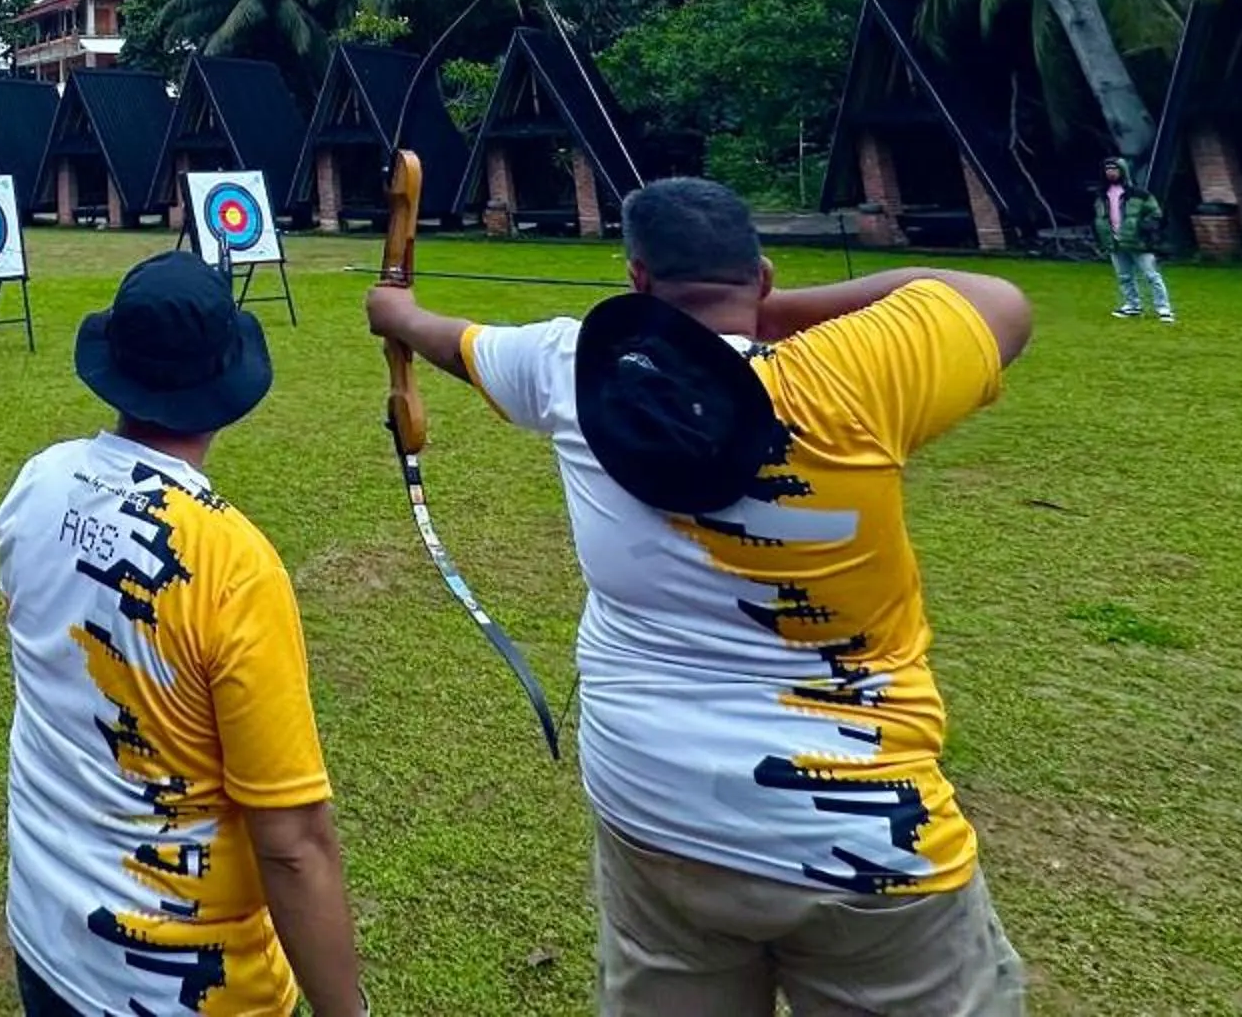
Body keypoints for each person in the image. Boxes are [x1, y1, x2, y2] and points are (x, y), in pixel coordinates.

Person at [367, 176, 1032, 1017]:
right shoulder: (863, 372)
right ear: (758, 275)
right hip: (868, 837)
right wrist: (774, 310)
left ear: (637, 280)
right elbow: (992, 300)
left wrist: (390, 306)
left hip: (656, 807)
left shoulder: (574, 366)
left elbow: (432, 333)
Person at [0, 250, 368, 1017]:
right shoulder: (234, 565)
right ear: (224, 387)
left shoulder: (39, 480)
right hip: (183, 991)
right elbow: (292, 846)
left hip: (45, 938)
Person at [1094, 158, 1175, 323]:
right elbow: (1100, 218)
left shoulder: (1139, 194)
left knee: (1152, 275)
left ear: (1123, 171)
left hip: (1139, 242)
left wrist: (1146, 229)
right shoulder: (1102, 196)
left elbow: (1155, 214)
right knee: (1124, 276)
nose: (1110, 172)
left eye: (1114, 169)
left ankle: (1163, 308)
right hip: (1115, 242)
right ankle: (1132, 305)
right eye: (1107, 169)